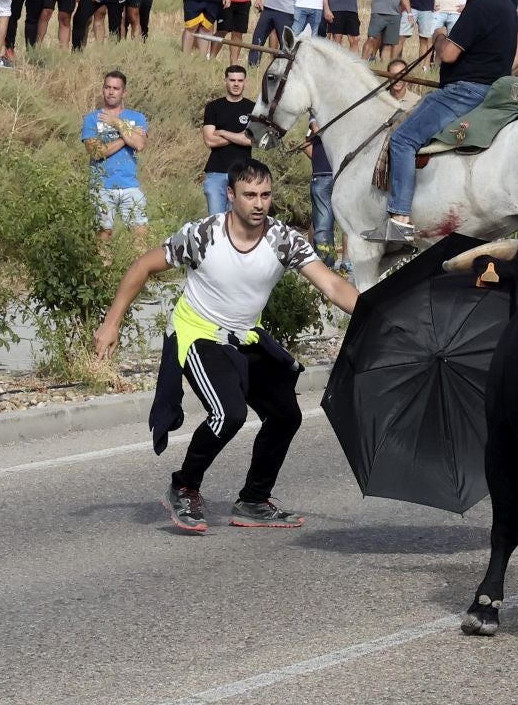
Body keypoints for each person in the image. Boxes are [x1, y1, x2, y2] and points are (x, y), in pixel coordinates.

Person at [94, 157, 359, 533]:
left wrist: (372, 314)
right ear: (231, 195)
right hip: (198, 333)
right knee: (228, 414)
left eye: (265, 195)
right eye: (249, 194)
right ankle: (183, 486)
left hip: (245, 335)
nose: (258, 203)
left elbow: (332, 285)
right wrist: (111, 322)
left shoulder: (282, 239)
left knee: (286, 415)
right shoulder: (204, 235)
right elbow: (143, 266)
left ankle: (253, 500)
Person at [369, 0, 518, 244]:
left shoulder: (479, 6)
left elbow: (448, 54)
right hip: (493, 90)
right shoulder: (506, 5)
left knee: (403, 138)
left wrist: (438, 35)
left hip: (463, 91)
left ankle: (399, 219)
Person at [82, 70, 149, 243]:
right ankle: (104, 270)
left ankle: (139, 270)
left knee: (139, 234)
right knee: (104, 234)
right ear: (103, 89)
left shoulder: (137, 117)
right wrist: (126, 136)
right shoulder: (92, 119)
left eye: (116, 88)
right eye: (107, 87)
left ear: (123, 92)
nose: (111, 92)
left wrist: (117, 123)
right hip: (102, 185)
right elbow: (97, 152)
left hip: (130, 185)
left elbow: (140, 145)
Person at [201, 64, 255, 215]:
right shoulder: (213, 107)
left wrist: (223, 132)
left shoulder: (253, 109)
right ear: (225, 80)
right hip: (216, 172)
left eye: (240, 80)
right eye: (232, 80)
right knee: (216, 220)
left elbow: (251, 140)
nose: (236, 84)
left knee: (237, 220)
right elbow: (209, 140)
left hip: (242, 173)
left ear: (245, 82)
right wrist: (240, 135)